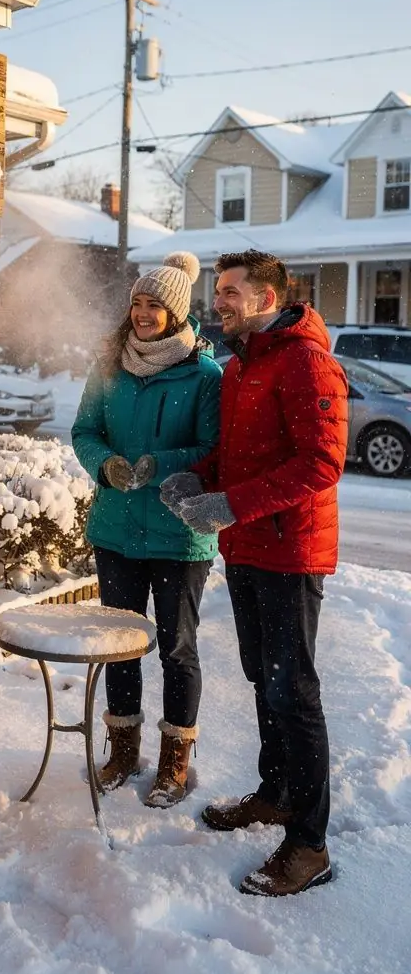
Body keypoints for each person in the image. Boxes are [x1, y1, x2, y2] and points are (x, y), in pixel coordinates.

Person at [162, 250, 348, 897]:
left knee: (292, 690)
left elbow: (321, 464)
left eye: (230, 292)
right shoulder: (242, 367)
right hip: (246, 551)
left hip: (290, 554)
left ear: (268, 298)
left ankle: (310, 844)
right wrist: (202, 477)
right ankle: (278, 793)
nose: (219, 303)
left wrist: (232, 503)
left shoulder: (307, 362)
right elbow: (242, 455)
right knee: (261, 679)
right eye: (218, 292)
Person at [72, 252, 222, 806]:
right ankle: (123, 751)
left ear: (175, 312)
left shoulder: (205, 375)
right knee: (121, 646)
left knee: (177, 649)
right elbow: (84, 429)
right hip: (116, 530)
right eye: (137, 302)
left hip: (180, 536)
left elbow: (212, 450)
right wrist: (104, 464)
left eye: (155, 304)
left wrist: (157, 464)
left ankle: (174, 763)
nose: (142, 312)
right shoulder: (109, 364)